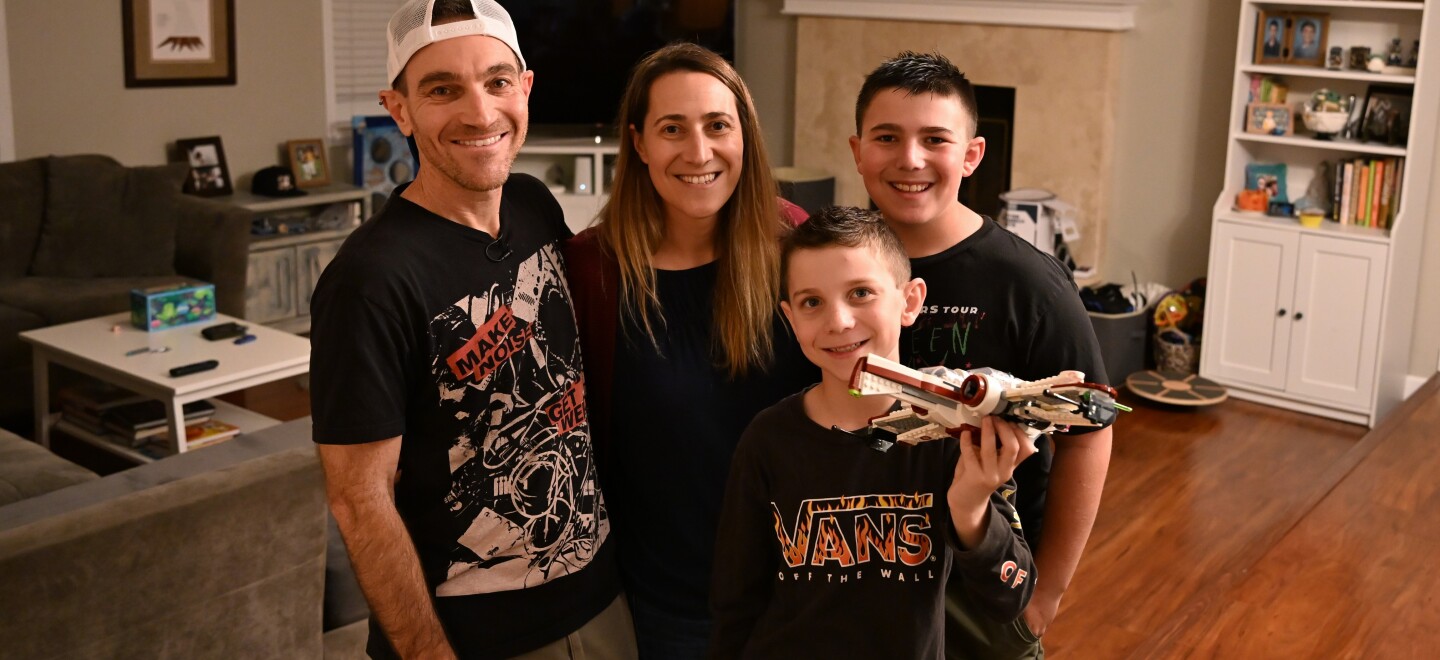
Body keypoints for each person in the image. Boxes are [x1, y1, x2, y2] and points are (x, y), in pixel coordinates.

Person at [308, 1, 633, 658]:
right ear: (397, 110)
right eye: (442, 89)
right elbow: (359, 500)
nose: (481, 113)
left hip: (604, 601)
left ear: (526, 89)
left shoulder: (534, 203)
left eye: (496, 81)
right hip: (477, 637)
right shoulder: (369, 280)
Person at [849, 52, 1114, 656]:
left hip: (984, 586)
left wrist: (1048, 594)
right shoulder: (838, 265)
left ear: (971, 155)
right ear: (858, 150)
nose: (910, 159)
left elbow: (1089, 432)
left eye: (934, 139)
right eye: (887, 137)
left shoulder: (1031, 284)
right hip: (864, 572)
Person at [564, 42, 816, 658]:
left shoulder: (795, 244)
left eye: (717, 126)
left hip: (802, 590)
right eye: (672, 129)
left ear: (744, 136)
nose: (698, 152)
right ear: (640, 143)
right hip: (665, 606)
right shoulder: (592, 271)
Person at [708, 206, 1037, 658]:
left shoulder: (956, 433)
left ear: (910, 301)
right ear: (789, 317)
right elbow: (734, 603)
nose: (838, 321)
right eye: (811, 302)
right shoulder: (767, 442)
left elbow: (1009, 596)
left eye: (861, 292)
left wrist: (971, 507)